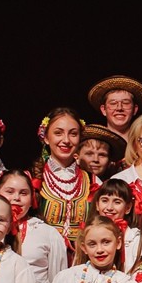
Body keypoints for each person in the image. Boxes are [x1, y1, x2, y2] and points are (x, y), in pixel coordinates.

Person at [28, 108, 99, 255]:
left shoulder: (92, 180)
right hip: (41, 258)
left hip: (81, 259)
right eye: (58, 133)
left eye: (73, 134)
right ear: (46, 138)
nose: (66, 140)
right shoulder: (31, 178)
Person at [89, 74, 142, 143]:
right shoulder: (94, 144)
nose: (119, 108)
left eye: (126, 103)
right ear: (103, 110)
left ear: (135, 109)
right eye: (113, 103)